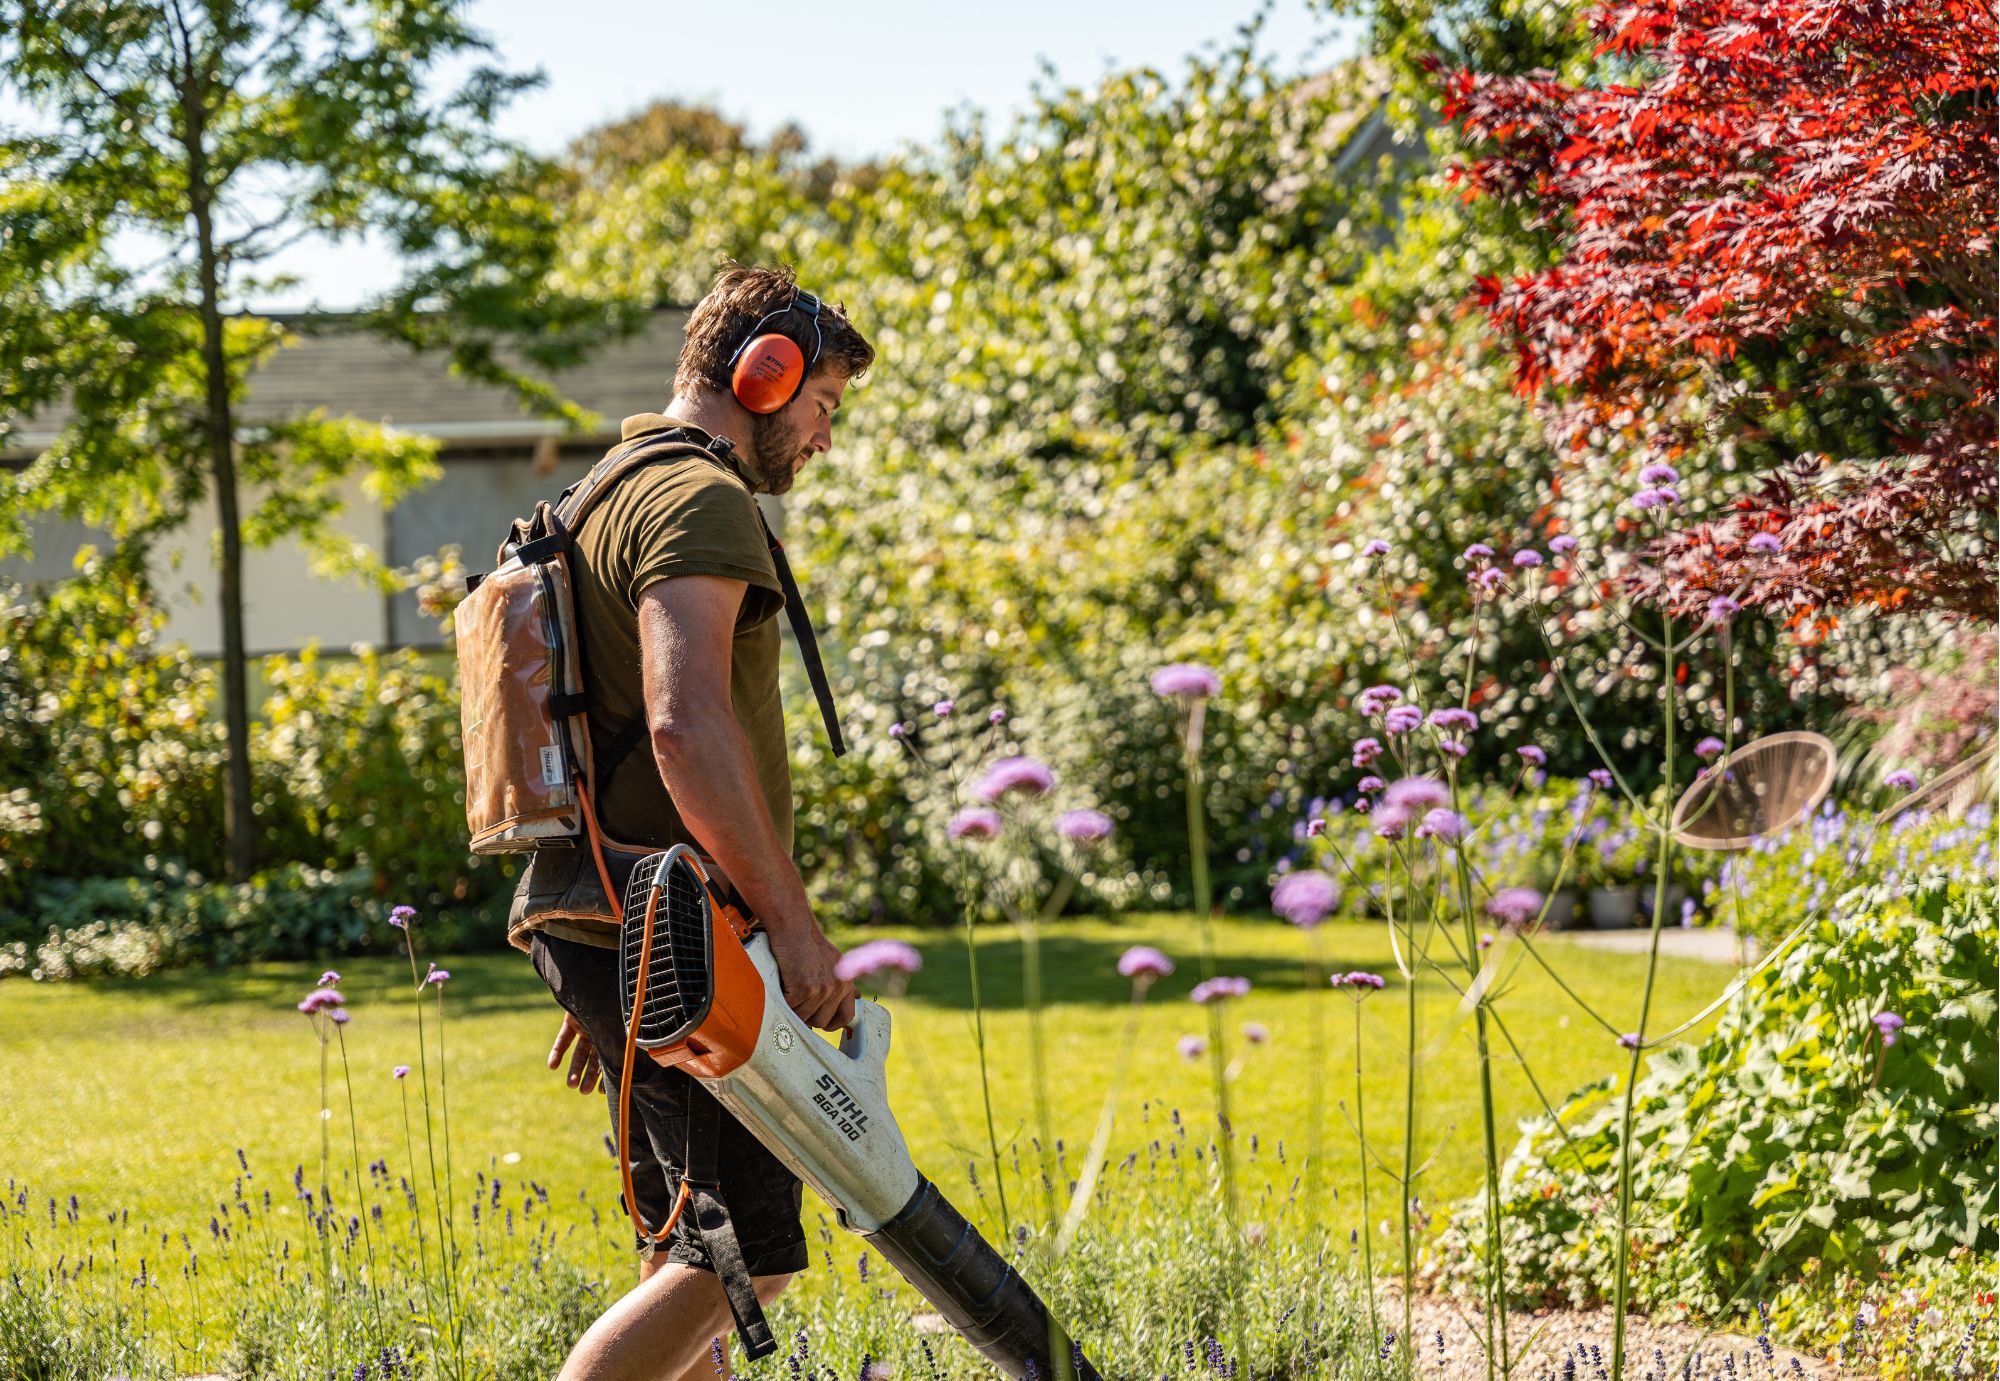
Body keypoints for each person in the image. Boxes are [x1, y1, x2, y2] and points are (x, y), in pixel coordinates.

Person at [514, 262, 874, 1380]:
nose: (821, 439)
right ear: (762, 375)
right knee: (746, 1256)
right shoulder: (698, 498)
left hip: (615, 917)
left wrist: (605, 964)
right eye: (820, 406)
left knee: (686, 1245)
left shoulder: (602, 491)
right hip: (679, 931)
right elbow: (682, 726)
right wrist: (793, 927)